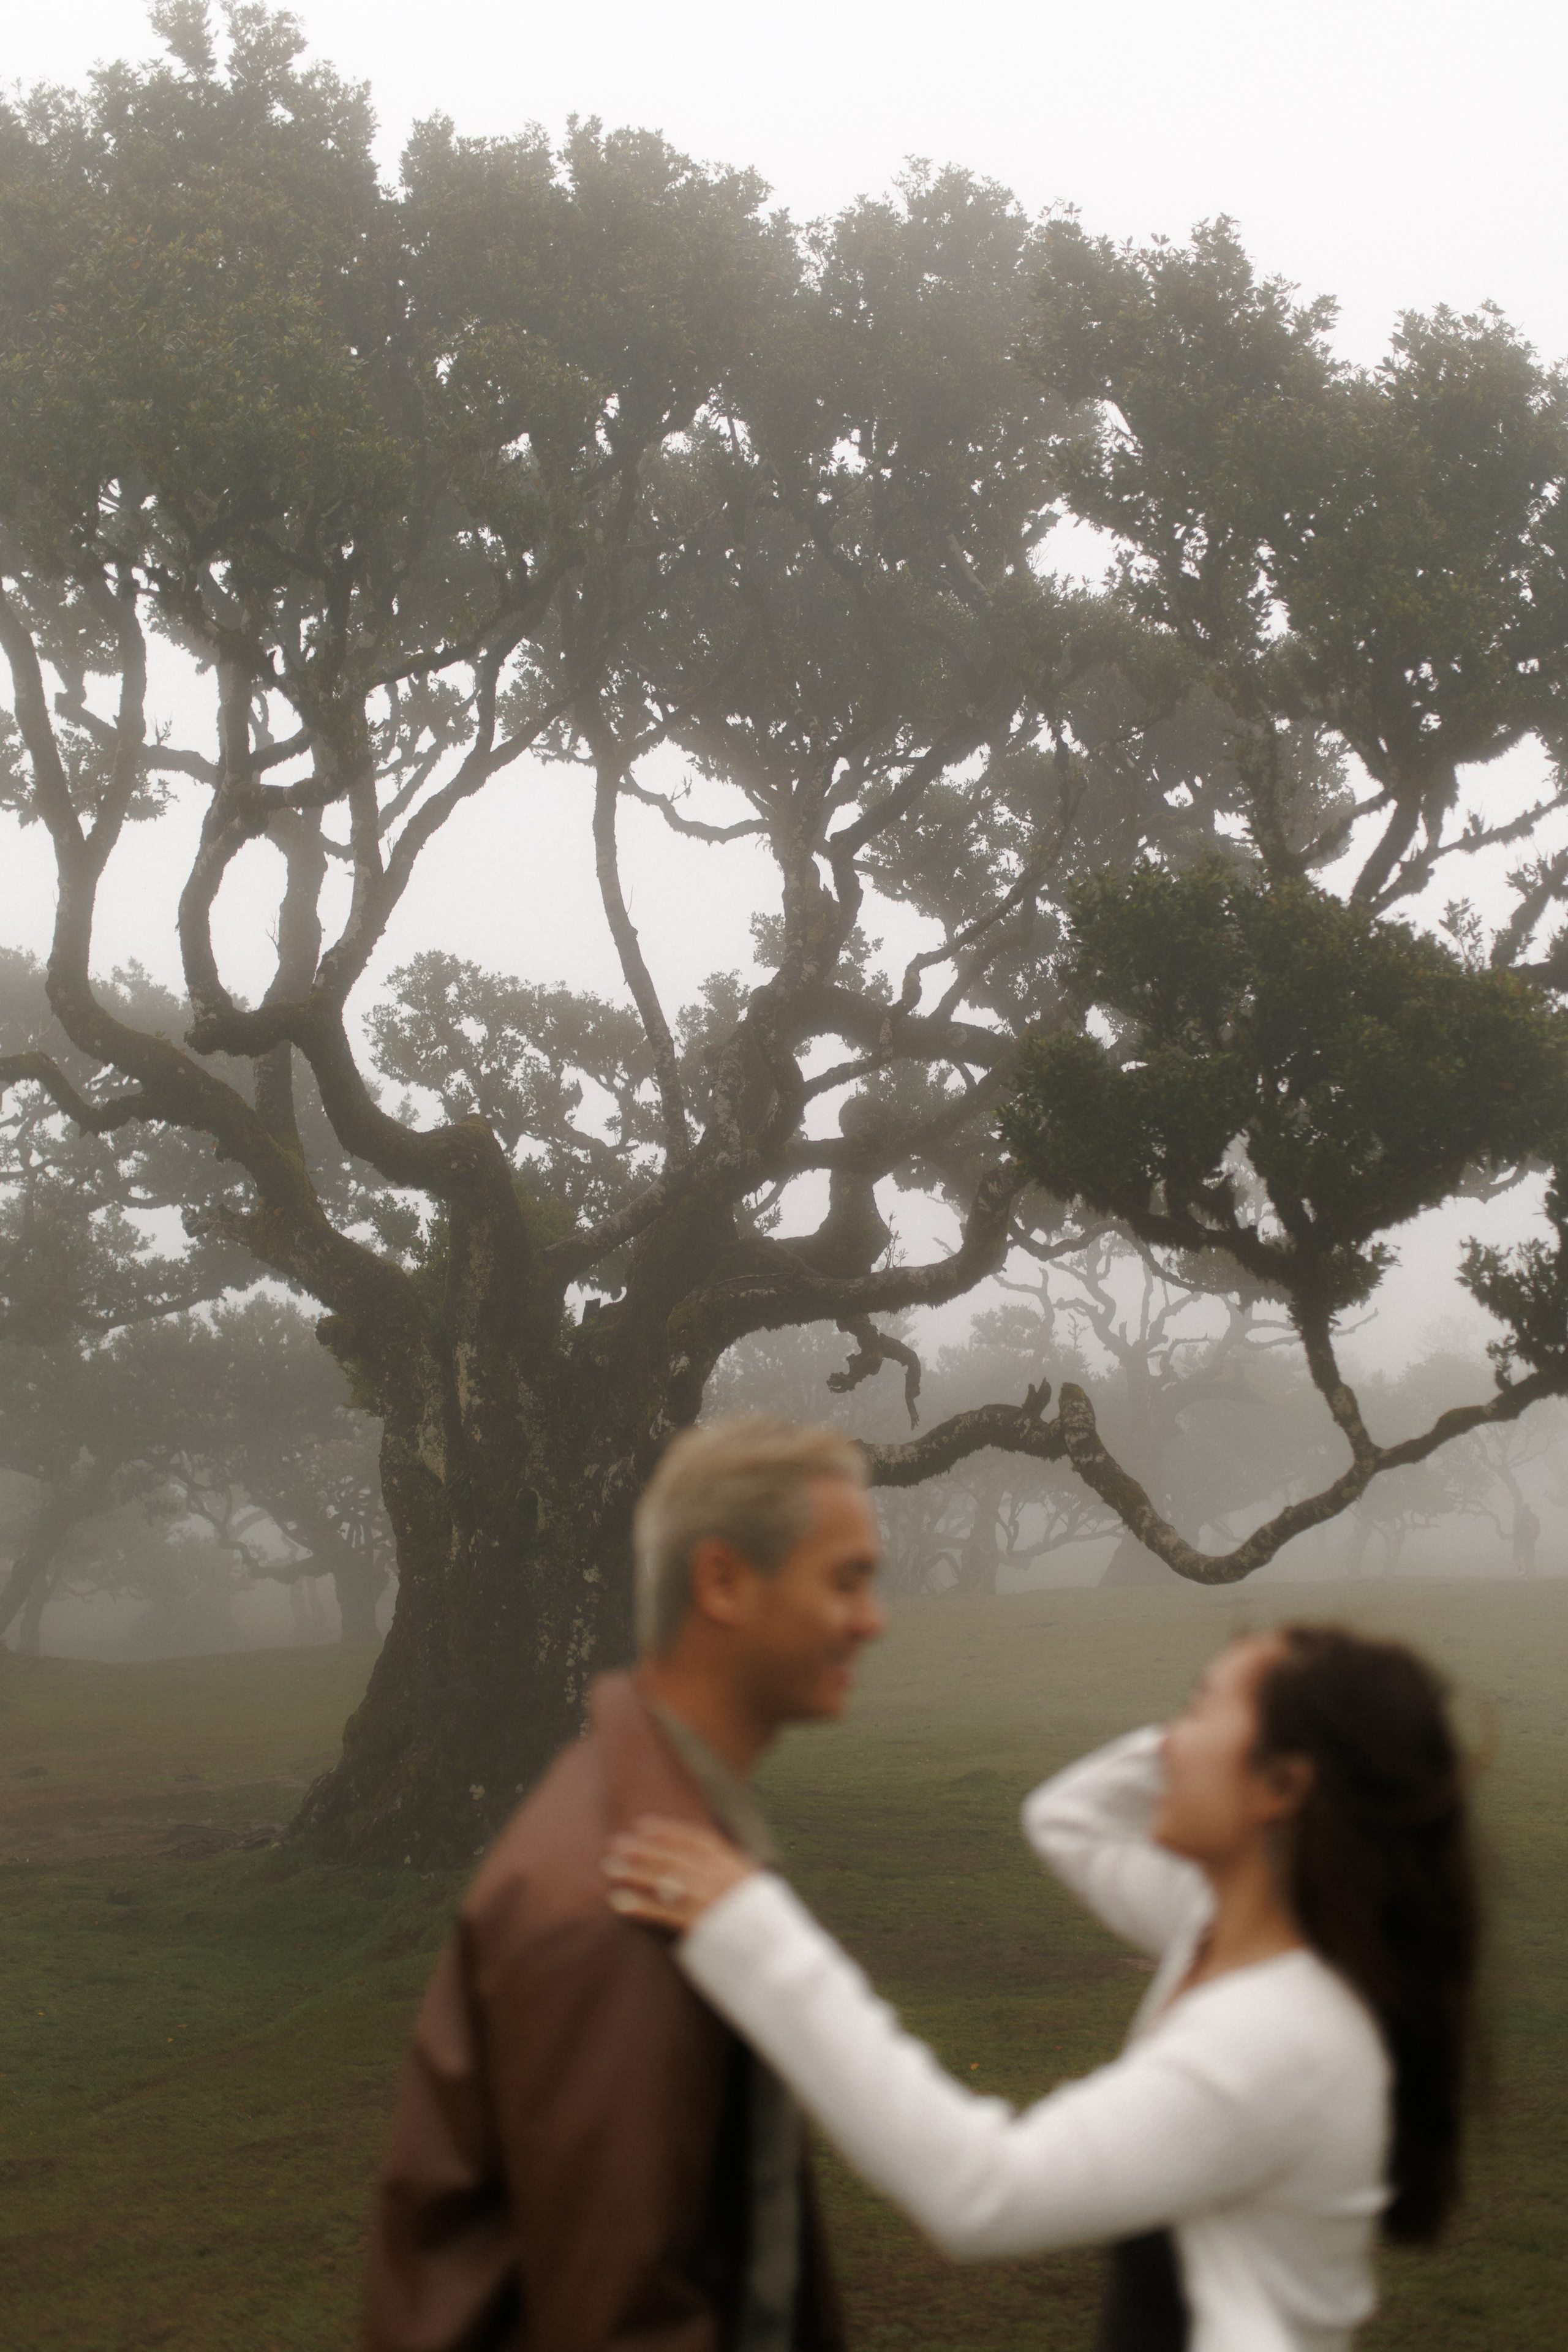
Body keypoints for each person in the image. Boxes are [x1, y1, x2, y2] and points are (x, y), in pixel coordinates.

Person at [606, 1624, 1480, 2352]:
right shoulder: (1213, 1931)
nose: (1167, 1737)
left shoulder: (1279, 2037)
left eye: (1198, 1707)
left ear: (1286, 1784)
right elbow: (1065, 1819)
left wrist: (754, 1932)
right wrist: (1249, 1732)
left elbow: (982, 2195)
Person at [360, 1414, 886, 2352]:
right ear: (722, 1580)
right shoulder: (624, 1903)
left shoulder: (663, 1827)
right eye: (845, 1580)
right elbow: (625, 2317)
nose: (871, 1620)